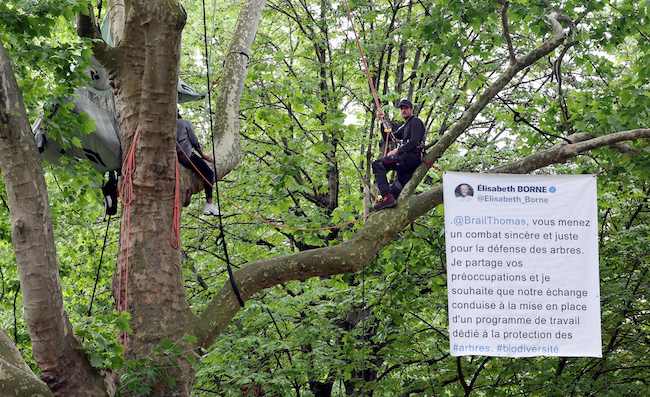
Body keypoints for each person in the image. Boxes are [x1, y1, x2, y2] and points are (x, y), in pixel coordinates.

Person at [371, 98, 425, 210]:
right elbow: (389, 137)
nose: (403, 110)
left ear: (411, 109)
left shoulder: (416, 122)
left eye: (406, 108)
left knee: (378, 164)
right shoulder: (405, 126)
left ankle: (386, 196)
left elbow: (414, 141)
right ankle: (387, 197)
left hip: (410, 158)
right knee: (393, 192)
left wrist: (398, 151)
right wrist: (382, 122)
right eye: (401, 108)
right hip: (404, 167)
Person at [176, 111, 219, 215]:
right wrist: (203, 156)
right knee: (209, 173)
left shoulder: (165, 125)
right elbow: (194, 142)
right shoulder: (184, 123)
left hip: (177, 157)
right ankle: (209, 204)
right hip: (187, 156)